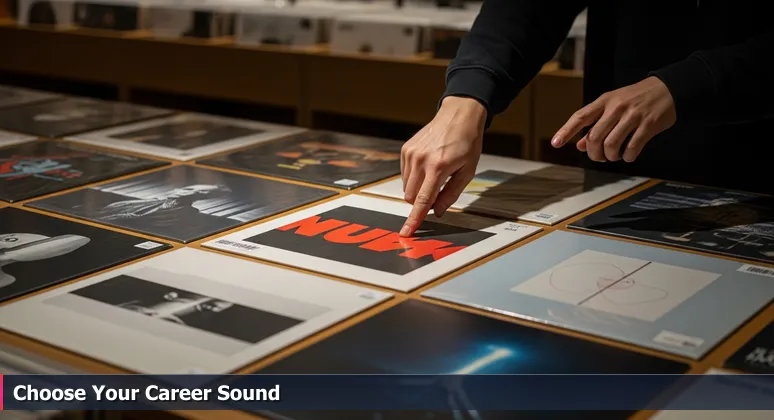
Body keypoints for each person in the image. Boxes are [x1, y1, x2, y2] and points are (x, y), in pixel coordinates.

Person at [398, 1, 774, 237]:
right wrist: (467, 96)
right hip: (618, 166)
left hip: (755, 172)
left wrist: (685, 85)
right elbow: (529, 9)